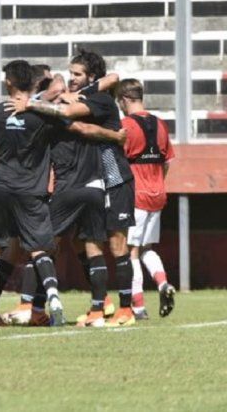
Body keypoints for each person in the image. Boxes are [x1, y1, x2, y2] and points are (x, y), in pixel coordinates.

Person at [11, 49, 137, 327]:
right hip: (95, 181)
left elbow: (76, 118)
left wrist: (32, 104)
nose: (72, 80)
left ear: (92, 76)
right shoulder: (88, 93)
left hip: (114, 178)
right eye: (71, 74)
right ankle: (101, 305)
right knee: (86, 241)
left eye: (77, 75)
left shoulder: (101, 100)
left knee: (116, 244)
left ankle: (127, 308)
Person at [0, 60, 66, 329]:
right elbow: (63, 116)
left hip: (1, 188)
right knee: (38, 247)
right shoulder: (41, 116)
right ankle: (53, 298)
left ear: (9, 82)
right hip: (32, 191)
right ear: (34, 83)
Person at [116, 78, 176, 320]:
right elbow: (168, 161)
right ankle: (162, 284)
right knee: (147, 249)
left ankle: (138, 307)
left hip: (136, 195)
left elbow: (118, 162)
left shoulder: (126, 126)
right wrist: (157, 182)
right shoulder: (161, 125)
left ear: (125, 100)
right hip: (158, 193)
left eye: (119, 101)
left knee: (130, 251)